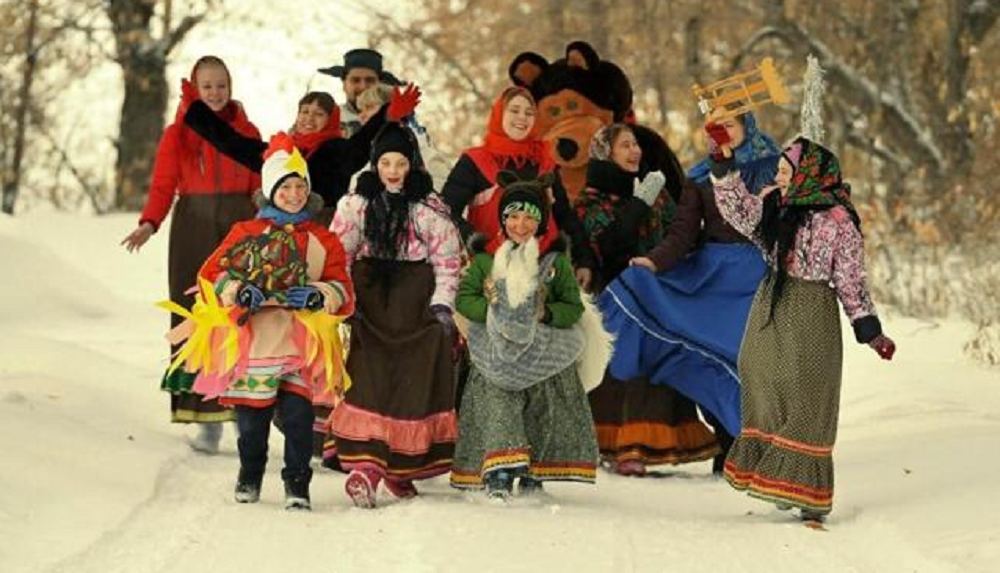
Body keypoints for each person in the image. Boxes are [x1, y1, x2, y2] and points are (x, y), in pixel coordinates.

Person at [713, 136, 896, 526]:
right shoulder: (775, 207)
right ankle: (778, 476)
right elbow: (737, 211)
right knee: (761, 377)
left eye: (784, 171)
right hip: (772, 305)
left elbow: (850, 279)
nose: (778, 178)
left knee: (808, 396)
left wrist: (870, 330)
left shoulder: (839, 221)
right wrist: (723, 164)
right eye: (779, 171)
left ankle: (808, 495)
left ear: (807, 175)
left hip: (812, 312)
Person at [173, 133, 354, 510]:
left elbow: (344, 289)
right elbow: (211, 274)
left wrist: (319, 293)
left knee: (298, 417)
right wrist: (238, 290)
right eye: (285, 187)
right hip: (255, 340)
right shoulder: (247, 232)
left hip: (300, 342)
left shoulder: (322, 239)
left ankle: (297, 483)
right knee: (252, 422)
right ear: (271, 191)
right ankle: (250, 472)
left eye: (300, 186)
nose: (294, 194)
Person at [605, 111, 782, 474]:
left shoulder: (773, 167)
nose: (719, 134)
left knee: (747, 360)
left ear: (747, 126)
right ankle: (730, 444)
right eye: (713, 129)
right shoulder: (700, 176)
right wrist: (654, 262)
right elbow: (682, 233)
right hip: (712, 275)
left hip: (756, 275)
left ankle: (762, 445)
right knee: (708, 356)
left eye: (728, 125)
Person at [121, 56, 260, 453]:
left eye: (221, 85)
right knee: (196, 316)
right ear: (195, 90)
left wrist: (263, 205)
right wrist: (149, 223)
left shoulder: (247, 131)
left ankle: (244, 417)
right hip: (193, 227)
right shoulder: (177, 133)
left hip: (238, 228)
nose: (215, 92)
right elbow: (163, 184)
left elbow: (260, 180)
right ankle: (204, 420)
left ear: (230, 87)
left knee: (241, 316)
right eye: (207, 86)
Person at [326, 121, 462, 508]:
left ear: (412, 164)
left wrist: (442, 306)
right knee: (369, 379)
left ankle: (400, 469)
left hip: (415, 303)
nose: (393, 171)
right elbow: (340, 253)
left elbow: (447, 262)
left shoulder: (429, 208)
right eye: (385, 162)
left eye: (400, 163)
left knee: (411, 383)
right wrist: (344, 298)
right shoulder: (357, 204)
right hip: (370, 302)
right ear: (375, 164)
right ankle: (366, 469)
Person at [576, 123, 721, 475]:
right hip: (616, 299)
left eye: (636, 145)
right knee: (623, 367)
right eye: (625, 145)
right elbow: (611, 247)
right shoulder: (590, 201)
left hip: (659, 295)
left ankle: (644, 445)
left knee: (660, 363)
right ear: (606, 153)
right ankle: (615, 445)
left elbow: (679, 236)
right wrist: (639, 203)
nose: (635, 152)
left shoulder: (657, 193)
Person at [450, 172, 599, 501]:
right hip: (496, 351)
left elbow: (573, 307)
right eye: (513, 216)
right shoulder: (485, 261)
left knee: (539, 409)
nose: (521, 224)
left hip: (540, 353)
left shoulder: (555, 263)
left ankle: (534, 469)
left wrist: (547, 314)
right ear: (503, 220)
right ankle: (499, 471)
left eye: (529, 217)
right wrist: (491, 310)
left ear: (541, 221)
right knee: (498, 404)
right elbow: (465, 299)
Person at [183, 81, 420, 218]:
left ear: (331, 119)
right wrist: (196, 110)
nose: (309, 118)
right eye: (304, 112)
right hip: (282, 227)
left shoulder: (336, 149)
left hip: (322, 227)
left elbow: (362, 143)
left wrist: (386, 115)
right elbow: (234, 144)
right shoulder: (283, 152)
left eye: (318, 114)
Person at [441, 86, 596, 289]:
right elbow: (445, 211)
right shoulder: (475, 161)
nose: (522, 117)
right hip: (492, 274)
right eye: (514, 110)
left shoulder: (546, 162)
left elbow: (565, 216)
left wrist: (584, 260)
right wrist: (478, 245)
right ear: (500, 114)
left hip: (544, 273)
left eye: (529, 113)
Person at [318, 48, 403, 137]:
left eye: (370, 80)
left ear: (380, 83)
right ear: (344, 84)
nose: (363, 87)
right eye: (355, 80)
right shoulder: (326, 120)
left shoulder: (400, 121)